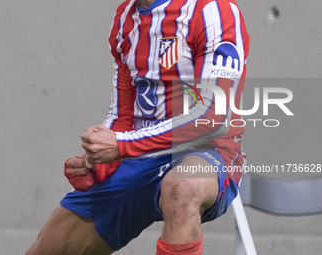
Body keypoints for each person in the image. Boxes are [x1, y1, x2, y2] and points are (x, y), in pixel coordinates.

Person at [26, 0, 249, 254]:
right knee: (48, 248)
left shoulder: (213, 10)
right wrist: (98, 158)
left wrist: (121, 145)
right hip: (141, 155)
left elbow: (212, 117)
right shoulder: (124, 17)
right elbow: (122, 116)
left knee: (182, 186)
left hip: (208, 153)